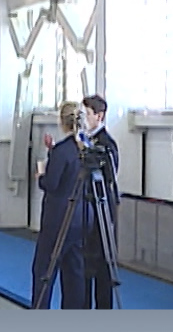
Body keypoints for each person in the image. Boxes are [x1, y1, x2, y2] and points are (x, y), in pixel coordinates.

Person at [34, 101, 91, 309]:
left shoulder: (62, 151)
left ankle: (40, 311)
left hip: (58, 218)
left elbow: (52, 183)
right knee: (74, 269)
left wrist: (40, 176)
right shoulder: (86, 148)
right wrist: (52, 152)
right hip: (81, 217)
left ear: (62, 121)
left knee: (44, 268)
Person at [76, 94, 123, 309]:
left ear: (99, 116)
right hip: (84, 206)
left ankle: (104, 310)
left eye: (86, 114)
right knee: (83, 261)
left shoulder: (107, 144)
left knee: (102, 262)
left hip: (101, 206)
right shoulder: (81, 140)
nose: (83, 119)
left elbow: (110, 175)